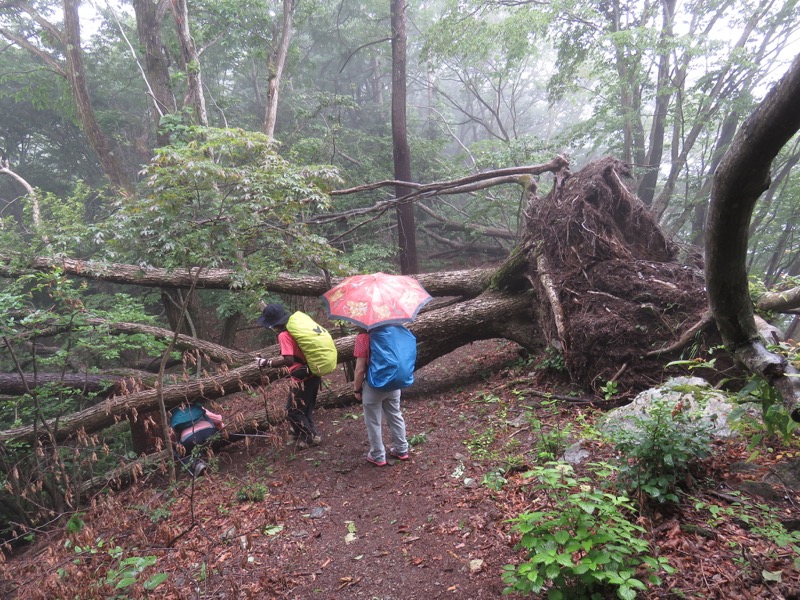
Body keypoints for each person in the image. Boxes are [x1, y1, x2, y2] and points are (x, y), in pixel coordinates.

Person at [256, 303, 322, 449]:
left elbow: (288, 359)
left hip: (302, 376)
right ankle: (305, 435)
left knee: (292, 411)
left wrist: (267, 362)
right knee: (305, 407)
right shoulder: (296, 330)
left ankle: (311, 437)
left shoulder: (284, 335)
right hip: (314, 371)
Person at [353, 327, 410, 466]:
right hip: (394, 383)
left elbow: (360, 369)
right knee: (395, 415)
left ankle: (378, 455)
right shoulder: (396, 331)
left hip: (373, 386)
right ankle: (401, 449)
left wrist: (356, 390)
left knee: (373, 421)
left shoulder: (363, 338)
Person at [169, 403, 224, 477]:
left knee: (183, 452)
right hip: (208, 432)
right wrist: (221, 428)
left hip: (188, 438)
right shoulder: (197, 407)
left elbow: (171, 437)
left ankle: (197, 464)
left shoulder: (175, 415)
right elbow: (218, 419)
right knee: (210, 442)